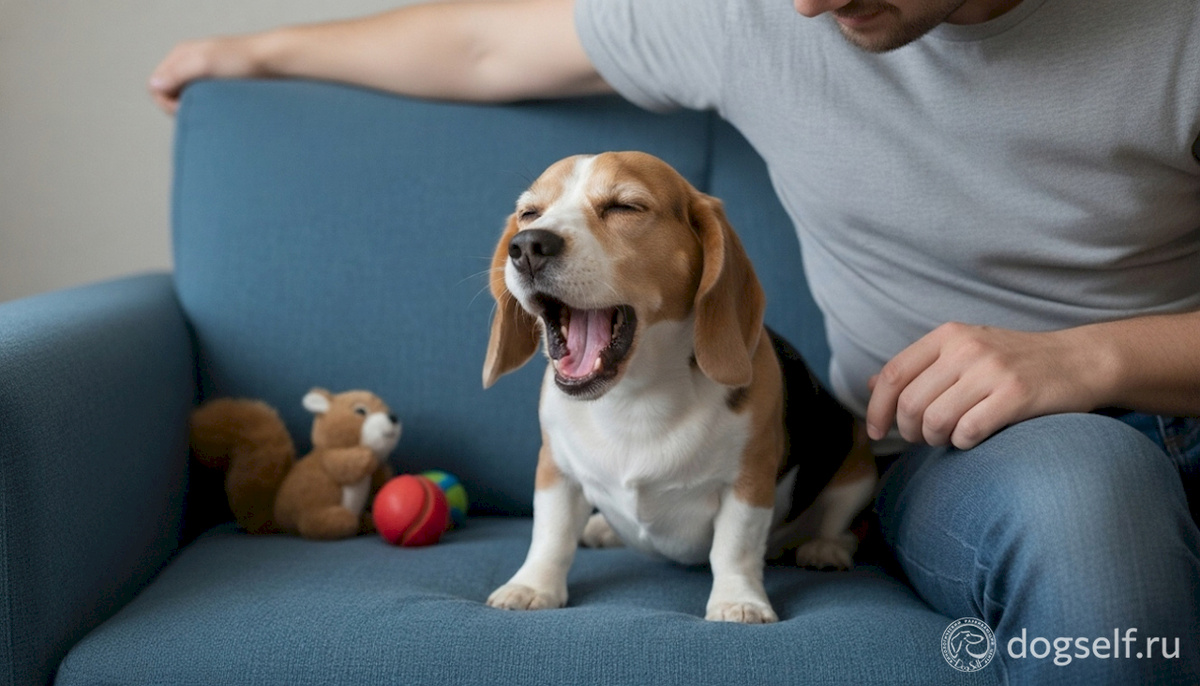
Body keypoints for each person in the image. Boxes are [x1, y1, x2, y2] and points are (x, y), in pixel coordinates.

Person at [150, 1, 1200, 681]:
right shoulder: (764, 15)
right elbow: (484, 42)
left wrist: (1092, 356)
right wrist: (251, 49)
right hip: (973, 450)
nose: (806, 3)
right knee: (1085, 505)